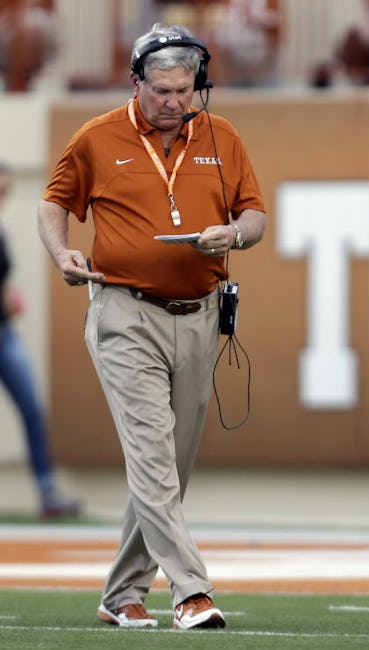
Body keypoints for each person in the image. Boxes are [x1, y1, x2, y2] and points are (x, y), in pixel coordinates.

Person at [37, 23, 266, 630]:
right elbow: (53, 202)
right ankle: (192, 591)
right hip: (124, 312)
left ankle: (121, 594)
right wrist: (62, 253)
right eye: (161, 91)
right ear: (135, 83)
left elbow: (255, 216)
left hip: (199, 314)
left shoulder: (222, 135)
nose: (173, 102)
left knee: (171, 464)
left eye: (184, 90)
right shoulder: (96, 137)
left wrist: (232, 234)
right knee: (151, 452)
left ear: (199, 84)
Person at [0, 162, 80, 520]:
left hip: (4, 334)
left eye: (6, 190)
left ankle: (48, 493)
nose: (3, 197)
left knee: (33, 409)